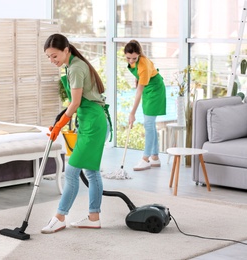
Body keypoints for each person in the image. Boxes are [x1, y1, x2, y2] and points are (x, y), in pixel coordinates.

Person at [41, 33, 109, 234]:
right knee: (91, 172)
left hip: (94, 125)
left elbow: (76, 102)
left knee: (71, 172)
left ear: (66, 50)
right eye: (49, 57)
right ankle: (93, 218)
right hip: (91, 121)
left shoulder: (76, 68)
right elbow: (75, 104)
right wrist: (61, 120)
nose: (53, 60)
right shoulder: (72, 65)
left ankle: (59, 217)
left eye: (55, 56)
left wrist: (60, 125)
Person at [124, 40, 166, 171]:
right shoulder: (135, 62)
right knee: (150, 124)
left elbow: (139, 91)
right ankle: (155, 157)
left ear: (139, 55)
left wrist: (132, 113)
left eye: (134, 58)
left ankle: (145, 158)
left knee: (148, 124)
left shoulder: (143, 66)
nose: (131, 61)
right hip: (148, 88)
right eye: (128, 58)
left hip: (155, 90)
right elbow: (138, 77)